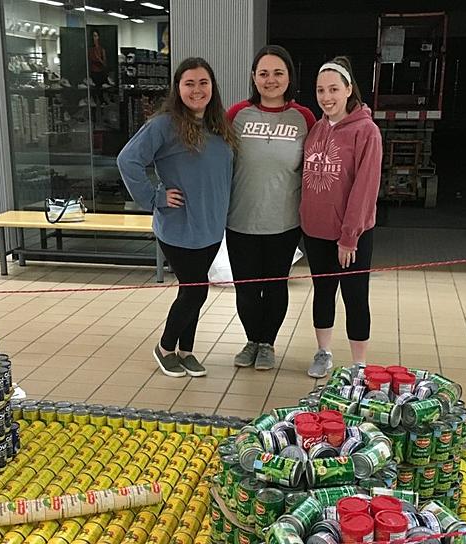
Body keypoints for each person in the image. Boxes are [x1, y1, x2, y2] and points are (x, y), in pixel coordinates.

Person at [117, 57, 237, 378]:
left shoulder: (218, 124)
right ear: (178, 88)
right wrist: (155, 197)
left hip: (211, 229)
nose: (197, 90)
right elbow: (128, 160)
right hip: (179, 227)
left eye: (203, 83)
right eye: (189, 83)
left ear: (212, 86)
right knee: (196, 290)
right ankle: (165, 348)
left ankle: (186, 351)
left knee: (193, 289)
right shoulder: (164, 124)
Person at [225, 45, 315, 371]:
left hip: (284, 222)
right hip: (240, 220)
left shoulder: (304, 118)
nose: (270, 79)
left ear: (289, 77)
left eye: (278, 73)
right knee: (246, 288)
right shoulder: (236, 115)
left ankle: (268, 343)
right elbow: (217, 163)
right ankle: (251, 340)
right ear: (253, 77)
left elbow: (316, 167)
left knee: (275, 286)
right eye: (263, 73)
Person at [300, 56, 382, 378]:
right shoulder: (317, 129)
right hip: (316, 231)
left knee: (355, 295)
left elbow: (365, 188)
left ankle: (359, 364)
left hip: (352, 235)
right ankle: (323, 352)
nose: (326, 97)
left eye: (334, 89)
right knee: (323, 292)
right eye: (320, 90)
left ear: (349, 89)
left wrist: (349, 237)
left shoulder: (366, 132)